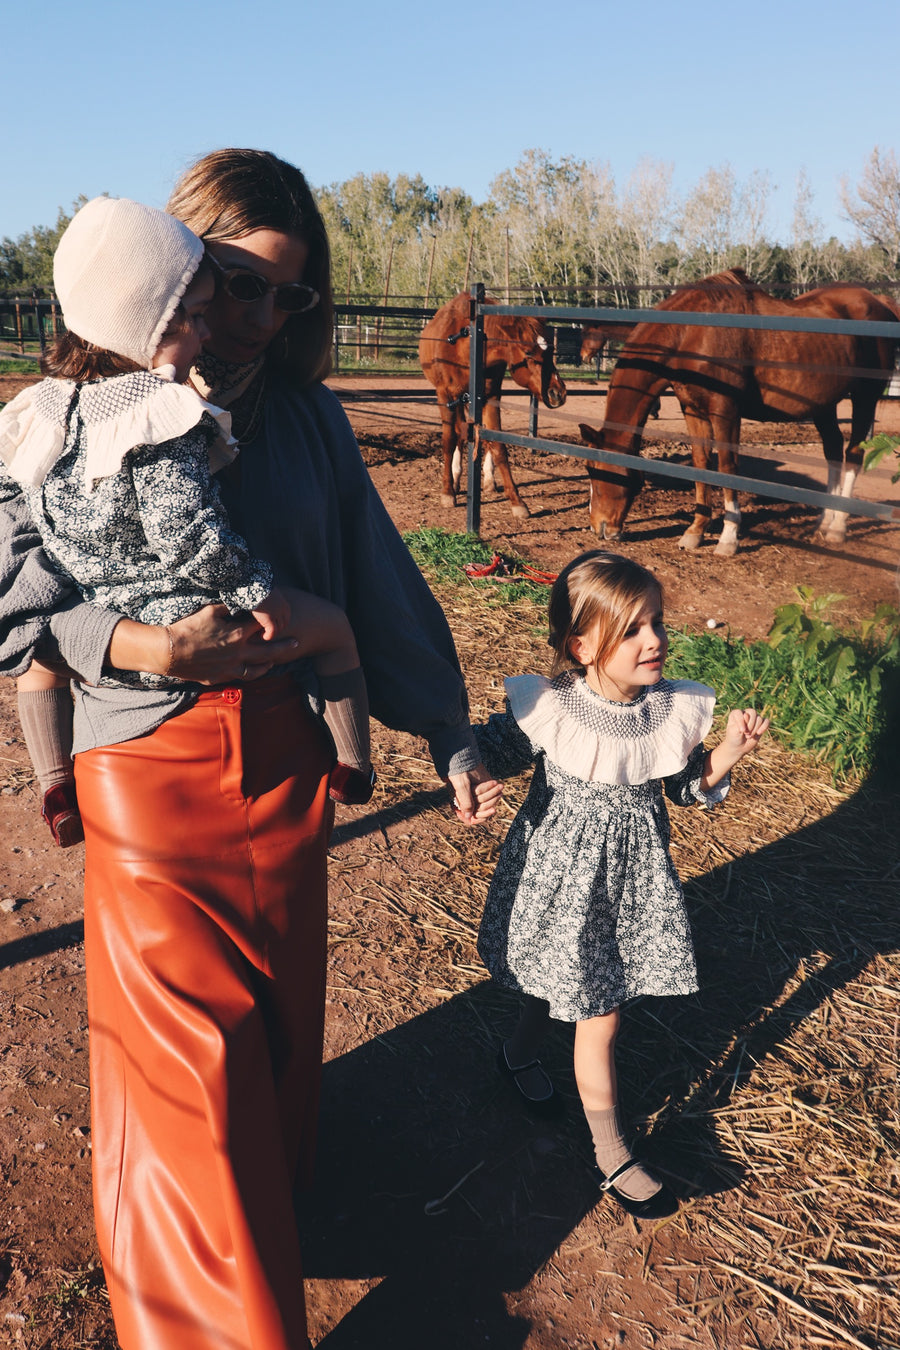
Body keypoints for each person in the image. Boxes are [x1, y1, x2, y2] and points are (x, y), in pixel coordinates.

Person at [0, 149, 501, 1350]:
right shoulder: (61, 421)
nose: (256, 321)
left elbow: (370, 582)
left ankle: (277, 1221)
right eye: (230, 282)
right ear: (171, 273)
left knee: (276, 1030)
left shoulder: (307, 422)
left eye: (286, 295)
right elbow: (16, 600)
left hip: (287, 775)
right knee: (183, 1069)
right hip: (148, 777)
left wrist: (447, 728)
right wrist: (139, 646)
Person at [0, 195, 374, 852]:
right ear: (145, 322)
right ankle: (355, 764)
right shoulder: (160, 413)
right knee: (333, 629)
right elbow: (184, 529)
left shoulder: (43, 412)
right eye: (197, 315)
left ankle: (53, 778)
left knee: (39, 659)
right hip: (191, 629)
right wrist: (259, 587)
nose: (210, 331)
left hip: (107, 629)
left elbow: (28, 548)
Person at [473, 551, 768, 1219]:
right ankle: (613, 1154)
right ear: (581, 644)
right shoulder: (552, 708)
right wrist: (459, 762)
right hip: (559, 882)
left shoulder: (668, 710)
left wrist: (725, 754)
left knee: (571, 989)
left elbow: (686, 789)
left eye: (657, 623)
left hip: (630, 884)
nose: (655, 640)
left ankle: (517, 1057)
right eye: (633, 629)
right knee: (595, 1012)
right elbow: (486, 750)